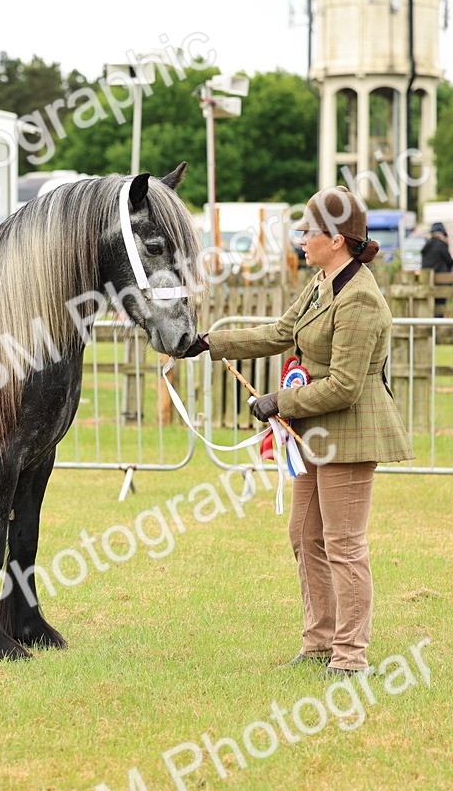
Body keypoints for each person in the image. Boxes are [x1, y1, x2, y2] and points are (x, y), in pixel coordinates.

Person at [185, 185, 414, 677]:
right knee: (304, 533)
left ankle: (351, 657)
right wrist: (206, 343)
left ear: (336, 238)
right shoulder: (321, 283)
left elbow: (345, 388)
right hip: (314, 432)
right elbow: (277, 333)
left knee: (344, 544)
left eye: (308, 231)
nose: (301, 239)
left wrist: (276, 402)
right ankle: (319, 643)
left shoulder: (360, 299)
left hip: (350, 433)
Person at [421, 222, 453, 317]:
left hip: (428, 281)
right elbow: (450, 262)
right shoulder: (441, 245)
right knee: (440, 306)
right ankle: (438, 326)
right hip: (441, 282)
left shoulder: (426, 246)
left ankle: (432, 327)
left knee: (430, 306)